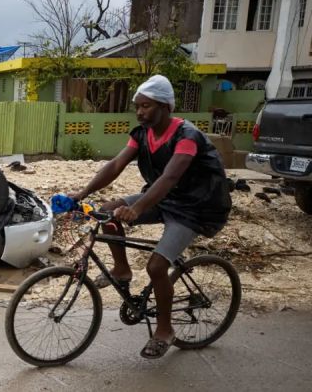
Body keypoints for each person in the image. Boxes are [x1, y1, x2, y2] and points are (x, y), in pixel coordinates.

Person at [69, 74, 232, 359]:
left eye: (147, 106)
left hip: (195, 208)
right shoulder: (143, 134)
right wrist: (81, 195)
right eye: (138, 106)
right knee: (106, 212)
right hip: (166, 198)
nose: (140, 112)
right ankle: (121, 270)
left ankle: (165, 330)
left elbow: (170, 177)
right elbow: (116, 164)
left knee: (157, 267)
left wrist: (138, 208)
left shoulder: (187, 137)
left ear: (165, 107)